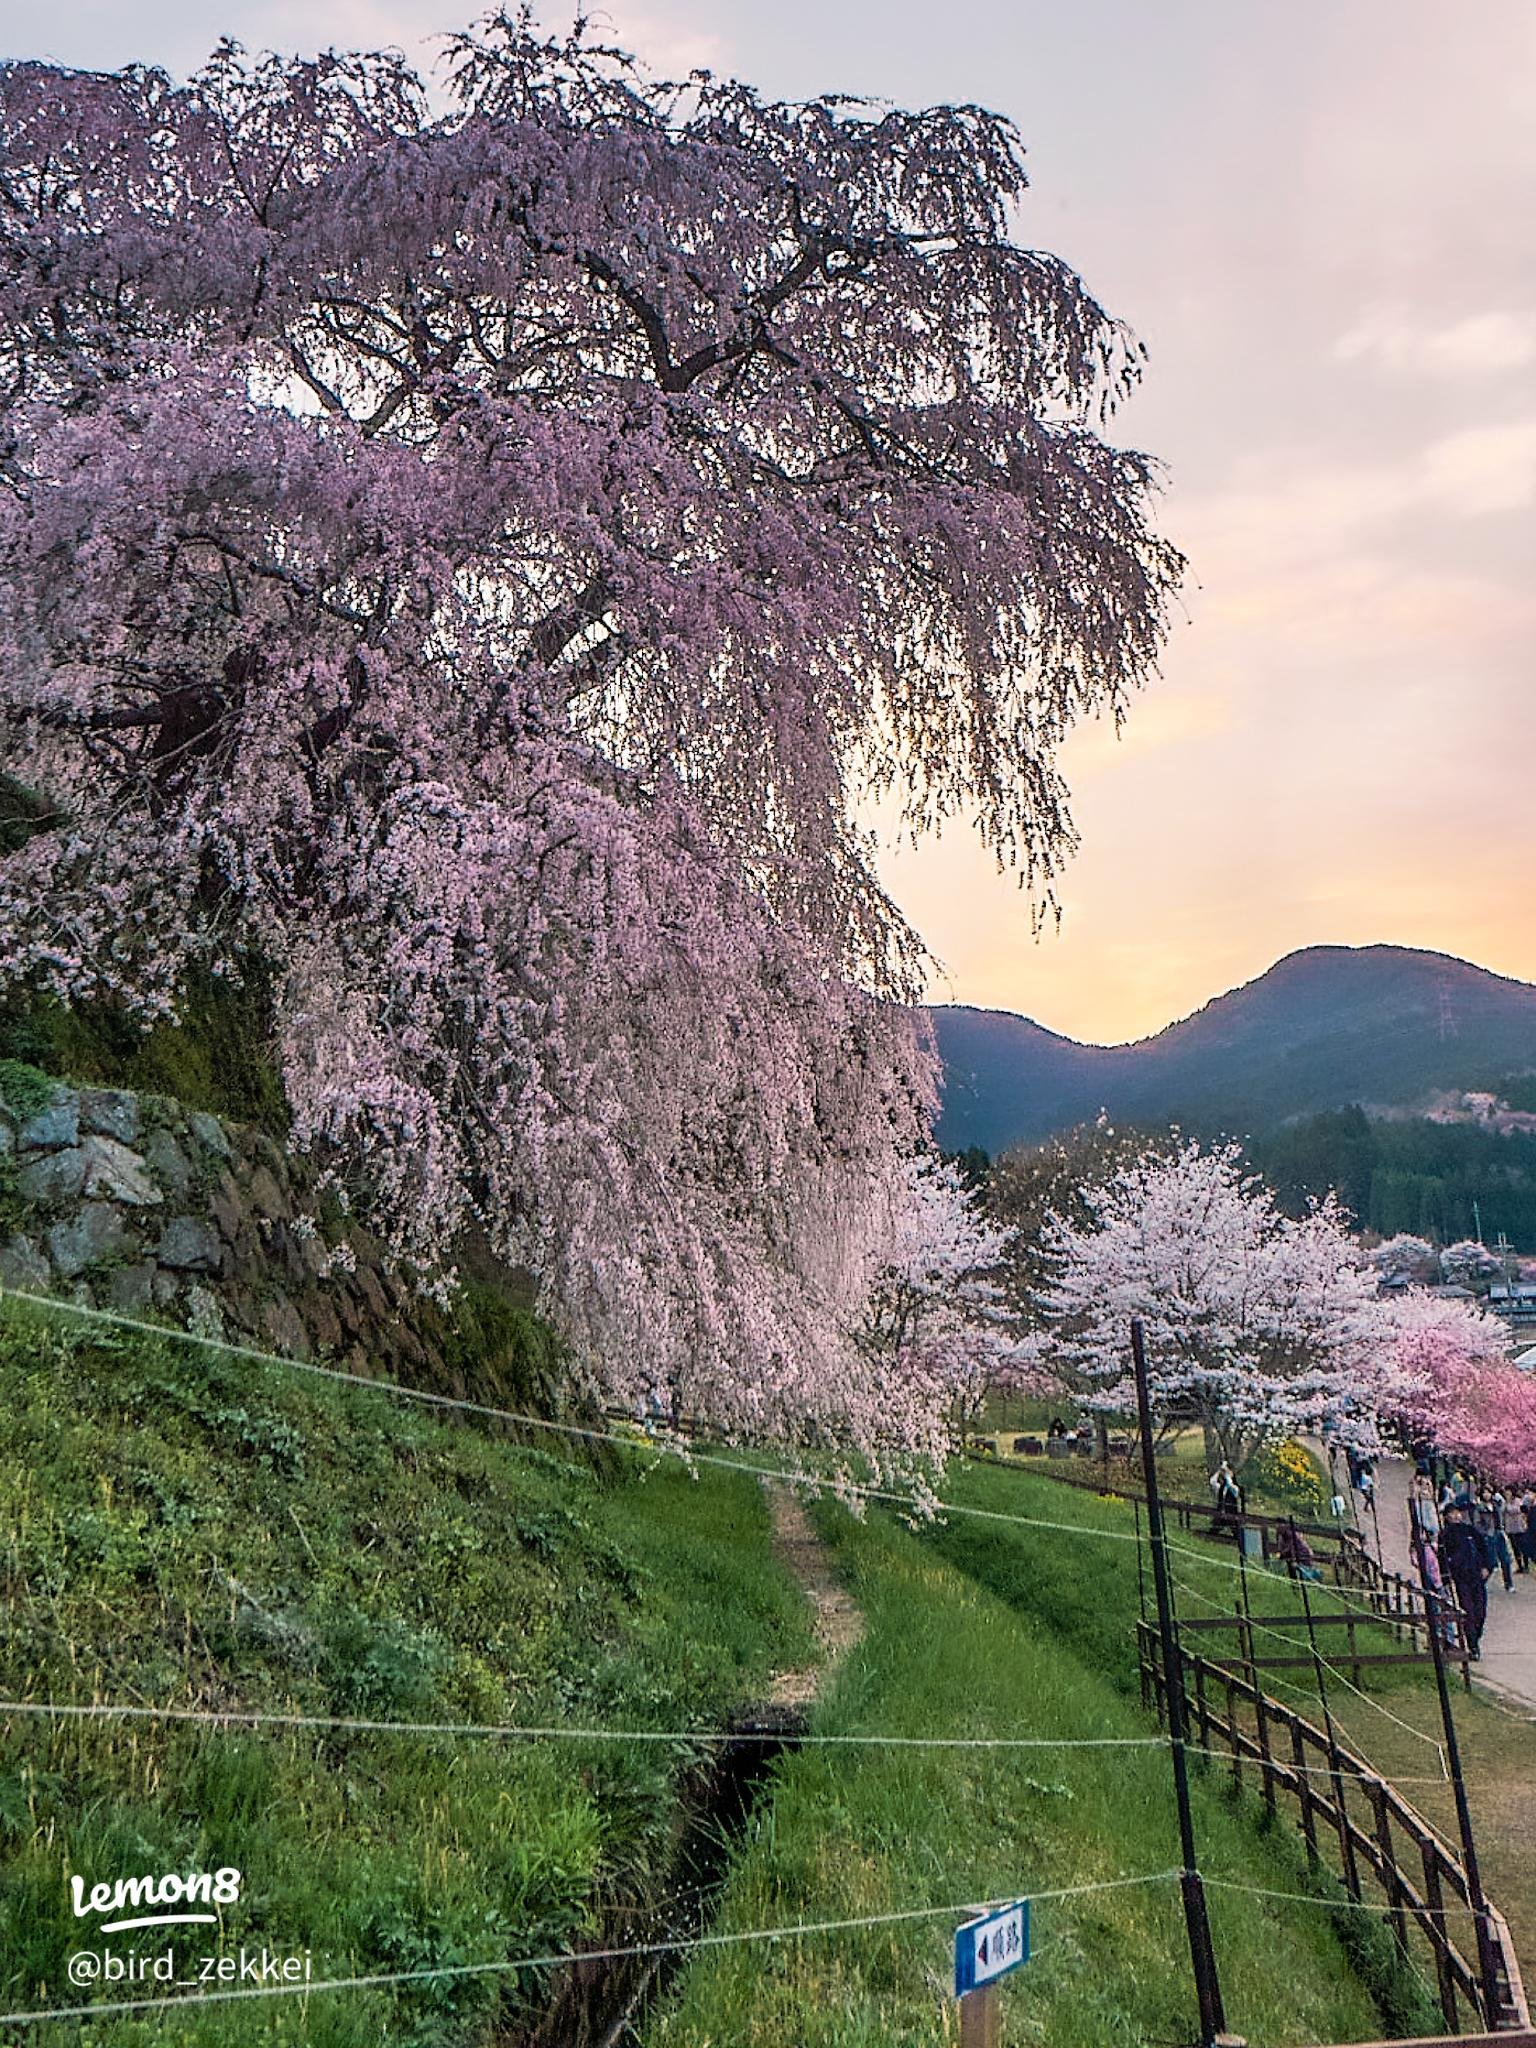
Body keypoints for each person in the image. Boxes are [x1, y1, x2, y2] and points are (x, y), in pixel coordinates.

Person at [1439, 1505, 1492, 1659]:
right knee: (1468, 1611)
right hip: (1461, 1578)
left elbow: (1484, 1549)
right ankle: (1473, 1645)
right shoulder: (1445, 1535)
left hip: (1477, 1576)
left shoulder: (1470, 1530)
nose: (1455, 1516)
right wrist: (1446, 1580)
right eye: (1451, 1514)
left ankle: (1476, 1634)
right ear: (1446, 1517)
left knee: (1480, 1611)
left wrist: (1486, 1567)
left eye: (1457, 1513)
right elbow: (1442, 1558)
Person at [1275, 1519, 1322, 1583]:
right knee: (1293, 1573)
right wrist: (1280, 1552)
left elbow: (1292, 1547)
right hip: (1291, 1557)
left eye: (1279, 1526)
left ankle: (1313, 1582)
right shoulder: (1280, 1535)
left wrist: (1283, 1554)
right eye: (1277, 1526)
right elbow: (1280, 1546)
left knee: (1305, 1573)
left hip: (1301, 1555)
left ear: (1284, 1526)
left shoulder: (1291, 1534)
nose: (1277, 1528)